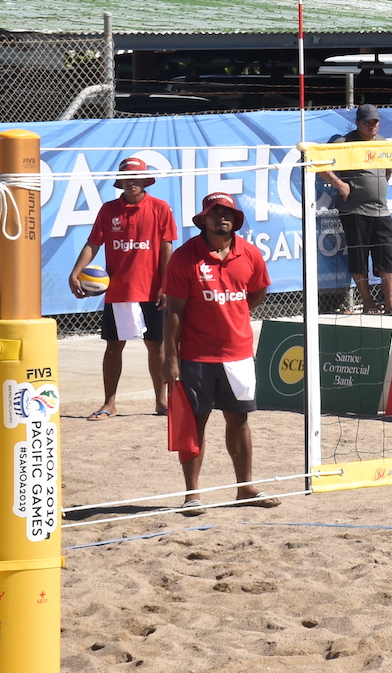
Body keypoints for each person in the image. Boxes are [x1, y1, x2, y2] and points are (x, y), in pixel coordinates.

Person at [160, 193, 277, 512]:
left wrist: (232, 314)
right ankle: (192, 494)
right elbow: (173, 311)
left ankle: (245, 489)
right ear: (204, 219)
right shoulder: (185, 257)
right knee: (195, 423)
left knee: (238, 420)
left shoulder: (250, 253)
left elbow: (257, 292)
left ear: (235, 219)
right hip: (195, 357)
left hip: (238, 354)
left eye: (227, 212)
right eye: (215, 212)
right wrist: (170, 357)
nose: (221, 217)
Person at [69, 155, 176, 419]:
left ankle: (161, 402)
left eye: (136, 177)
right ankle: (109, 404)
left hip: (151, 290)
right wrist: (75, 273)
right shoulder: (108, 210)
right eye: (127, 177)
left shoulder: (160, 208)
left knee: (156, 346)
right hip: (118, 292)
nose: (132, 182)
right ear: (121, 181)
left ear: (144, 180)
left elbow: (166, 248)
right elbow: (93, 243)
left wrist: (166, 284)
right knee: (114, 347)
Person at [318, 104, 392, 316]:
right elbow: (319, 163)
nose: (372, 126)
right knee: (359, 255)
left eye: (375, 122)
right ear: (357, 123)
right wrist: (339, 183)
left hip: (381, 210)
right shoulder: (343, 142)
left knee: (386, 257)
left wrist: (377, 187)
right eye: (367, 123)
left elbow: (388, 170)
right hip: (354, 210)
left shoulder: (383, 143)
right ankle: (368, 302)